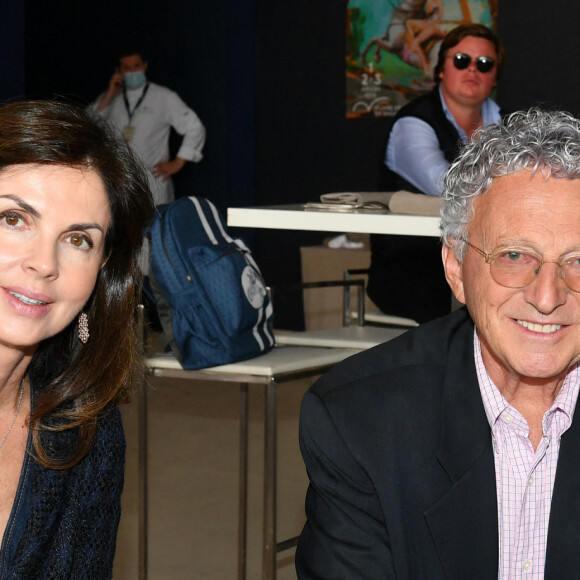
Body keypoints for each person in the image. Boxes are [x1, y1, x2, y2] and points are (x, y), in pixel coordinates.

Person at [296, 108, 580, 579]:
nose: (547, 296)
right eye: (513, 255)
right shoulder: (360, 421)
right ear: (456, 268)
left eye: (577, 260)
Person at [0, 100, 154, 577]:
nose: (45, 263)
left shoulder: (85, 432)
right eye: (13, 219)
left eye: (77, 239)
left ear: (101, 270)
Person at [367, 23, 505, 323]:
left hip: (484, 272)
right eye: (461, 61)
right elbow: (446, 185)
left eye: (484, 64)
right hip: (415, 279)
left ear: (494, 76)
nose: (472, 70)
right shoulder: (413, 123)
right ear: (441, 69)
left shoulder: (505, 125)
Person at [92, 46, 206, 206]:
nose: (133, 72)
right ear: (118, 71)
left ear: (145, 66)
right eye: (127, 68)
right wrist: (110, 93)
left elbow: (194, 127)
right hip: (119, 183)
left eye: (136, 66)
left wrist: (178, 162)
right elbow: (89, 124)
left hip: (154, 184)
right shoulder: (110, 99)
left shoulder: (163, 97)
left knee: (154, 229)